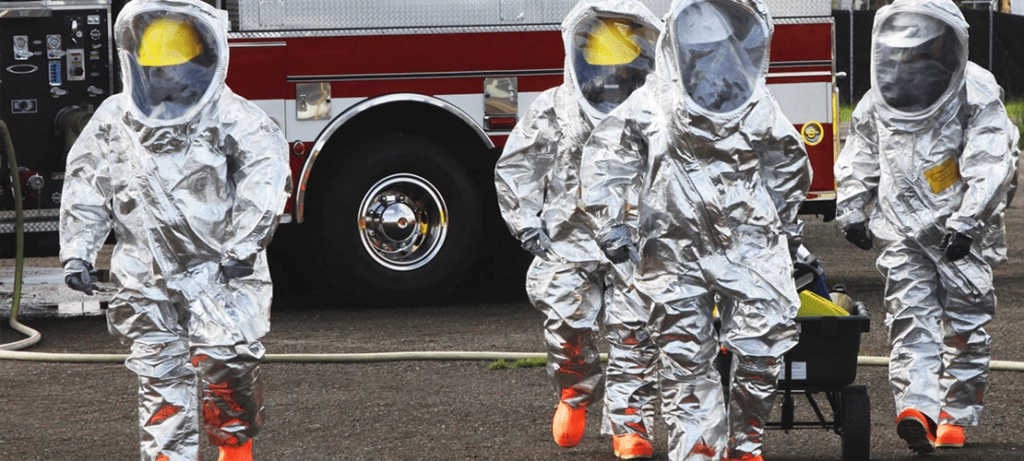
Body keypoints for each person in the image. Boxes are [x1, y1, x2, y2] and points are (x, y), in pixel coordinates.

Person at [59, 1, 292, 460]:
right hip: (144, 275)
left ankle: (234, 451)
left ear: (200, 63)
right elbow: (86, 183)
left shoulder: (232, 116)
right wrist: (78, 251)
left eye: (174, 69)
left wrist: (245, 244)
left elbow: (264, 180)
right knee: (160, 376)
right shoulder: (115, 119)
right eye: (156, 70)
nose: (165, 81)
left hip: (218, 273)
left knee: (228, 363)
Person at [579, 0, 811, 458]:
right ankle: (699, 452)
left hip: (750, 244)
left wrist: (785, 229)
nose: (709, 61)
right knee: (686, 362)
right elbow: (606, 158)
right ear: (677, 46)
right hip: (671, 250)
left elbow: (788, 166)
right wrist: (610, 223)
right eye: (699, 51)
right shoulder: (649, 103)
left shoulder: (756, 104)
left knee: (763, 348)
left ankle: (745, 446)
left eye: (717, 50)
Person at [834, 0, 1019, 454]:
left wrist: (968, 220)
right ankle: (917, 409)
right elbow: (862, 147)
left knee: (965, 325)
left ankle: (954, 415)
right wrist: (852, 205)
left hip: (958, 230)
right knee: (910, 319)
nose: (912, 56)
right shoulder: (884, 92)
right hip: (901, 229)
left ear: (944, 41)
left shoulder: (973, 87)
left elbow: (991, 157)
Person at [494, 1, 662, 458]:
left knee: (635, 332)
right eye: (602, 64)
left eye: (622, 66)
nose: (611, 77)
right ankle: (574, 391)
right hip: (568, 239)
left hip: (635, 240)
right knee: (567, 325)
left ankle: (630, 425)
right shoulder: (556, 106)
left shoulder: (655, 107)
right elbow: (520, 164)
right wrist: (525, 219)